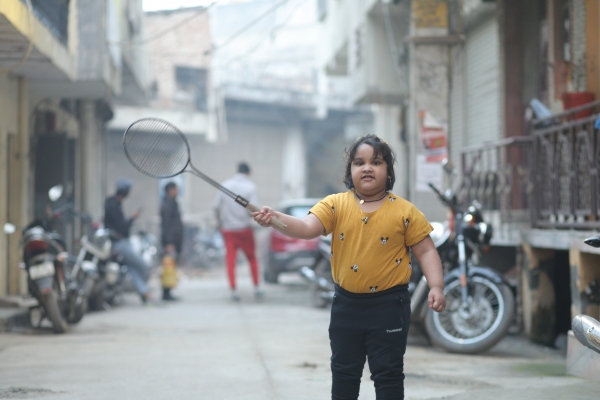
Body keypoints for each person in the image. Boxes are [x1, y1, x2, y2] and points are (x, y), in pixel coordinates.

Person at [252, 135, 446, 399]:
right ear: (350, 171)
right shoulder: (335, 205)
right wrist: (275, 218)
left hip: (390, 306)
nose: (367, 167)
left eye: (376, 162)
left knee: (388, 374)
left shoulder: (405, 211)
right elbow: (307, 228)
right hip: (347, 306)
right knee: (344, 373)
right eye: (359, 162)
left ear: (388, 172)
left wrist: (436, 285)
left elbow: (426, 249)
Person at [213, 162, 262, 301]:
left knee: (230, 261)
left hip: (228, 230)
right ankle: (257, 288)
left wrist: (219, 224)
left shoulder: (225, 185)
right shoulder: (250, 187)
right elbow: (253, 209)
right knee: (252, 258)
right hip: (244, 229)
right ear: (248, 172)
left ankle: (234, 291)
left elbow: (215, 206)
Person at [104, 178, 152, 304]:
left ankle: (144, 292)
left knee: (132, 268)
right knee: (143, 266)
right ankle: (144, 291)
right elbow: (122, 227)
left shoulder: (115, 204)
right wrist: (133, 217)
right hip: (119, 243)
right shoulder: (113, 205)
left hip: (121, 242)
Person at [160, 181, 184, 301]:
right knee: (168, 268)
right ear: (170, 190)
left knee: (171, 268)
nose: (177, 191)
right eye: (175, 189)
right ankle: (165, 293)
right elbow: (167, 225)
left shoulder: (173, 203)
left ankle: (168, 292)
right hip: (170, 243)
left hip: (175, 242)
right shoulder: (167, 205)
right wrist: (169, 243)